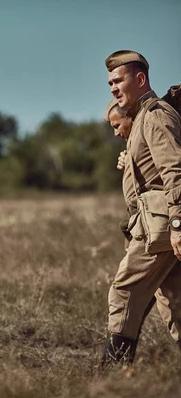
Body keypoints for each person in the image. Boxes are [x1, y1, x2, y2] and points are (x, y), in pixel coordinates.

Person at [102, 51, 181, 365]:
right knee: (175, 306)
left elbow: (174, 170)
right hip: (156, 227)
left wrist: (177, 225)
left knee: (124, 294)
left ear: (139, 78)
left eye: (118, 79)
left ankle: (113, 377)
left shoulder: (156, 114)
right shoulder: (142, 118)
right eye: (109, 82)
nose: (112, 87)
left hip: (161, 229)